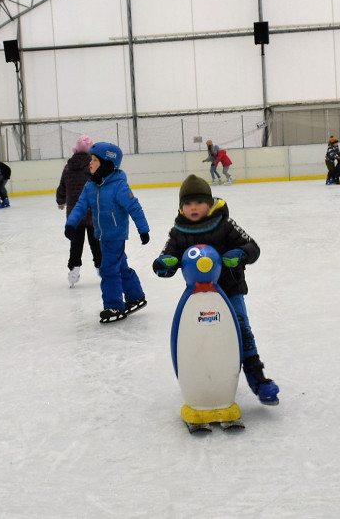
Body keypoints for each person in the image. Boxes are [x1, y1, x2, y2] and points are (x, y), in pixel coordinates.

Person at [152, 175, 279, 405]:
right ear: (181, 207)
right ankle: (204, 377)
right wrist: (164, 264)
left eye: (198, 202)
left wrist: (240, 255)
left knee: (242, 331)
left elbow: (252, 247)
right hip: (198, 297)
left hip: (230, 290)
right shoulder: (178, 231)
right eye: (187, 204)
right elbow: (165, 256)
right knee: (199, 336)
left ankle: (257, 379)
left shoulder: (225, 224)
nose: (193, 208)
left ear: (209, 204)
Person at [63, 142, 150, 322]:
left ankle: (113, 306)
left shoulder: (118, 186)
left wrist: (143, 229)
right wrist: (71, 224)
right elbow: (80, 206)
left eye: (95, 160)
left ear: (107, 164)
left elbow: (134, 207)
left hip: (116, 234)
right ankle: (136, 296)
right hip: (101, 235)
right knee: (121, 267)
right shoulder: (91, 185)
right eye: (91, 160)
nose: (90, 164)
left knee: (108, 269)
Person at [57, 135, 101, 287]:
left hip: (74, 212)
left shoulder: (68, 166)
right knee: (96, 242)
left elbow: (62, 184)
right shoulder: (92, 165)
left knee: (76, 243)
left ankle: (74, 269)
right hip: (92, 211)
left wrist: (61, 200)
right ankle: (101, 268)